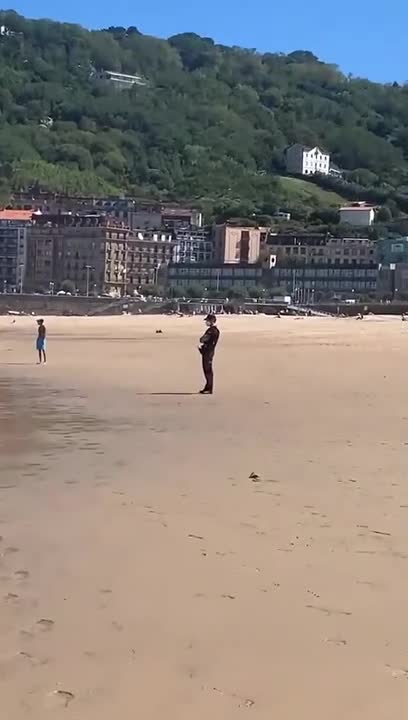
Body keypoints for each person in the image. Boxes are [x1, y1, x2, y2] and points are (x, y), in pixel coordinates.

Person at [198, 314, 220, 395]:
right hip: (209, 351)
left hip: (208, 352)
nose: (206, 322)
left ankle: (209, 387)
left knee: (207, 370)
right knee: (207, 370)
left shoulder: (212, 330)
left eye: (207, 320)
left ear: (211, 321)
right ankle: (208, 387)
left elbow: (202, 339)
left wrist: (203, 340)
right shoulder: (215, 330)